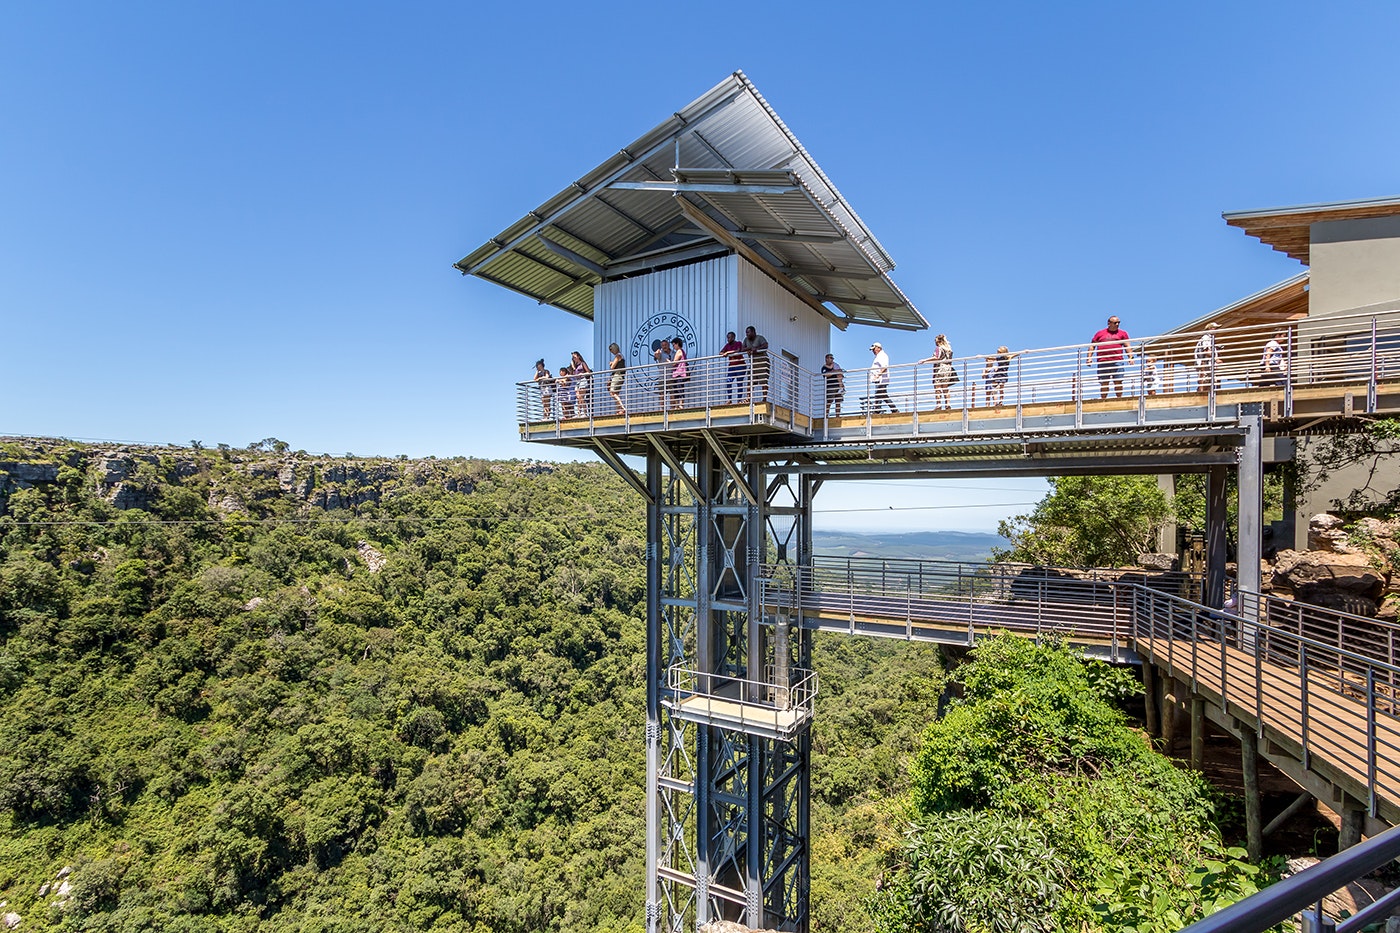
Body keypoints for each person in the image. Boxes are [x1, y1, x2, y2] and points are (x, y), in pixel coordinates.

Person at [1089, 315, 1133, 399]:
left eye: (1118, 322)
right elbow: (1092, 346)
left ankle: (1119, 398)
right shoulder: (1100, 333)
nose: (1117, 324)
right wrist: (1089, 358)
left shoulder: (1122, 333)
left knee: (1118, 381)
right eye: (1115, 322)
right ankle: (1103, 399)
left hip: (1117, 361)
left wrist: (1130, 357)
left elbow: (1127, 346)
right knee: (1104, 382)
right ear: (1109, 323)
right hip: (1103, 361)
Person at [920, 334, 956, 410]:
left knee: (937, 386)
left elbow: (936, 357)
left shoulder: (939, 348)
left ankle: (939, 404)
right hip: (948, 368)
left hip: (940, 368)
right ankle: (947, 404)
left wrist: (925, 360)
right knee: (945, 387)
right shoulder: (949, 350)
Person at [867, 341, 897, 413]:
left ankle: (877, 410)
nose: (873, 351)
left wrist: (878, 374)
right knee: (882, 394)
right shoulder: (879, 356)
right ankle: (893, 409)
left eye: (874, 349)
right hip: (879, 379)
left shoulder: (882, 355)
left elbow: (885, 366)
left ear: (878, 348)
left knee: (878, 394)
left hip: (881, 379)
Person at [742, 326, 769, 401]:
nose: (747, 334)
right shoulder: (746, 340)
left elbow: (765, 345)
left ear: (753, 332)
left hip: (762, 363)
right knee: (750, 380)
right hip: (753, 363)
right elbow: (742, 348)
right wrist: (750, 349)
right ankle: (748, 398)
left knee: (763, 380)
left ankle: (764, 398)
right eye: (746, 332)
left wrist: (756, 349)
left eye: (748, 332)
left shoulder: (760, 338)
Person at [720, 331, 745, 403]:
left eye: (729, 337)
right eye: (727, 337)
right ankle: (729, 399)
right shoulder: (727, 345)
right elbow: (720, 352)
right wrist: (725, 353)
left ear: (733, 337)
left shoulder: (738, 343)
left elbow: (738, 350)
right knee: (729, 381)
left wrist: (727, 352)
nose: (728, 339)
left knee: (739, 382)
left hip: (740, 365)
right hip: (732, 367)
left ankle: (739, 400)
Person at [1193, 322, 1219, 392]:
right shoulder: (1206, 338)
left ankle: (1206, 393)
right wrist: (1216, 359)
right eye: (1215, 328)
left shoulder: (1210, 338)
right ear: (1210, 329)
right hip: (1203, 363)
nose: (1216, 330)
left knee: (1208, 380)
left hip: (1207, 363)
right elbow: (1206, 350)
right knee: (1204, 379)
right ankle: (1201, 394)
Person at [607, 342, 627, 415]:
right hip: (620, 376)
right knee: (616, 393)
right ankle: (618, 410)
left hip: (618, 375)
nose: (611, 352)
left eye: (611, 350)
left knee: (613, 392)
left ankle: (622, 408)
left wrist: (611, 363)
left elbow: (612, 367)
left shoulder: (618, 356)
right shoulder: (621, 356)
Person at [652, 340, 672, 410]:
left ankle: (672, 409)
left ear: (668, 345)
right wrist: (657, 353)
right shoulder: (660, 353)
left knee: (672, 394)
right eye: (663, 345)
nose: (664, 347)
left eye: (665, 345)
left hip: (671, 377)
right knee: (662, 395)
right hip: (662, 378)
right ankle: (662, 410)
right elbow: (656, 357)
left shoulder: (674, 353)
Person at [670, 337, 688, 408]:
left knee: (679, 389)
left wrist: (669, 362)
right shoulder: (682, 351)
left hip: (679, 373)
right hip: (678, 373)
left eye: (674, 345)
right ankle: (678, 405)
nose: (673, 346)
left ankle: (679, 405)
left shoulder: (679, 351)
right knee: (677, 389)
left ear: (677, 344)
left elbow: (674, 363)